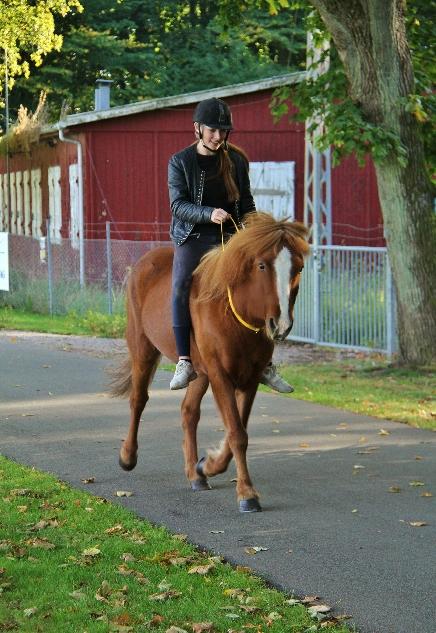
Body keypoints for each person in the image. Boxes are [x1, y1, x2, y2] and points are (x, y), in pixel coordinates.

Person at [168, 97, 294, 393]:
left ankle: (265, 363)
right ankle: (185, 360)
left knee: (261, 281)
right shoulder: (180, 161)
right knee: (180, 286)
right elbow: (178, 205)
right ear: (197, 128)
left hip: (232, 236)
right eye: (212, 130)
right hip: (194, 237)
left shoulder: (236, 160)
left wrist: (255, 224)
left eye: (223, 131)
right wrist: (208, 214)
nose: (218, 136)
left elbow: (246, 201)